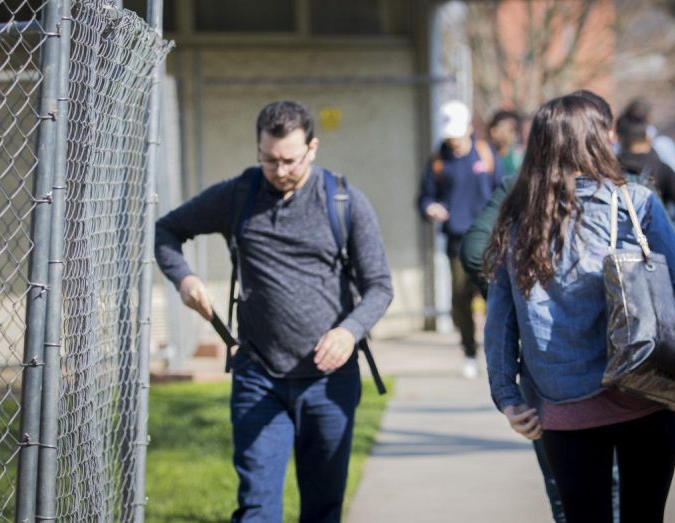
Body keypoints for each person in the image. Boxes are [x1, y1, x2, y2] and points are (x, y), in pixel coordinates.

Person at [154, 100, 393, 523]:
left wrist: (349, 331)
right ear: (258, 150)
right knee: (256, 509)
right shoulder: (238, 196)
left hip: (329, 383)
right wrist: (184, 279)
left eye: (290, 160)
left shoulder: (344, 201)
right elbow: (167, 230)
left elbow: (379, 287)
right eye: (269, 160)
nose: (280, 171)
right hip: (257, 377)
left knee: (322, 509)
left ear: (312, 148)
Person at [484, 93, 675, 522]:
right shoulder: (635, 203)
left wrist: (508, 398)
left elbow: (500, 324)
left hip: (564, 407)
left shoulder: (518, 222)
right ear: (597, 140)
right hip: (644, 391)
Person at [418, 99, 503, 378]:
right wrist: (431, 208)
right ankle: (469, 351)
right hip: (457, 242)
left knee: (496, 297)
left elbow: (503, 193)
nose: (454, 142)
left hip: (490, 241)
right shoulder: (439, 161)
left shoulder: (485, 154)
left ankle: (500, 352)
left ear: (468, 128)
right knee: (461, 298)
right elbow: (424, 197)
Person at [616, 112, 675, 215]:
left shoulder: (610, 168)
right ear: (647, 138)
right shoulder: (660, 167)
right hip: (653, 228)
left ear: (620, 139)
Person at [487, 109, 524, 178]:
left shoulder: (518, 158)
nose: (514, 134)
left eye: (514, 130)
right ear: (493, 131)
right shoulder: (484, 155)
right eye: (510, 130)